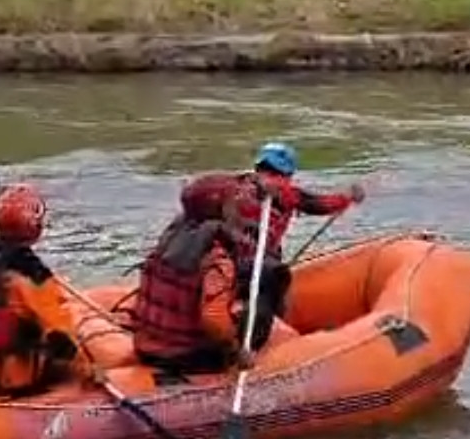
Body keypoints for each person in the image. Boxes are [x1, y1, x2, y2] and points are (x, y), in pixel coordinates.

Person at [0, 183, 96, 396]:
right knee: (61, 346)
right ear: (35, 227)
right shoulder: (33, 274)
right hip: (6, 379)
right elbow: (60, 338)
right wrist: (90, 369)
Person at [133, 173, 255, 374]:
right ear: (220, 211)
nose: (239, 209)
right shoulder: (216, 260)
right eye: (234, 203)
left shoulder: (167, 243)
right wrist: (235, 350)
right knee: (247, 311)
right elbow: (213, 319)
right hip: (187, 356)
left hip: (145, 347)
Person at [232, 141, 365, 323]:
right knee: (270, 292)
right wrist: (347, 197)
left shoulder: (235, 187)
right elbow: (321, 204)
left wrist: (346, 198)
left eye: (274, 173)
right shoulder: (285, 194)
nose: (272, 179)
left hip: (239, 258)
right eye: (269, 172)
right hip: (254, 262)